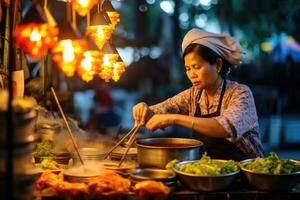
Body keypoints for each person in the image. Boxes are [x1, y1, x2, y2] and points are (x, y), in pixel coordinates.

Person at [132, 29, 264, 161]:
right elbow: (160, 110)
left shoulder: (240, 93)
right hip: (206, 172)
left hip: (245, 173)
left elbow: (226, 128)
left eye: (197, 67)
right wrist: (144, 109)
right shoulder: (194, 95)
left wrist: (174, 119)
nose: (192, 75)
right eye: (188, 69)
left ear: (218, 65)